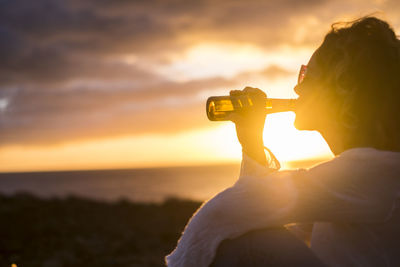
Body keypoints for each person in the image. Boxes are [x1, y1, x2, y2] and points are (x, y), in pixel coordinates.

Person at [166, 16, 400, 267]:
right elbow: (262, 214)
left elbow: (230, 210)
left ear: (346, 95)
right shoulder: (375, 172)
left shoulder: (373, 173)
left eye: (308, 77)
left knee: (245, 243)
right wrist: (252, 142)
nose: (296, 89)